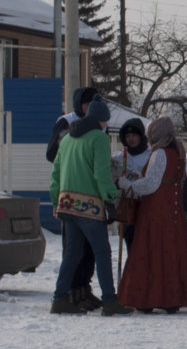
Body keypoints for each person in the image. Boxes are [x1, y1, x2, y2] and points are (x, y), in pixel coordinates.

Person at [48, 97, 132, 316]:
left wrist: (56, 198)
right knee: (102, 252)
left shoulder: (66, 139)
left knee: (72, 254)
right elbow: (101, 173)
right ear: (102, 120)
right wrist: (110, 198)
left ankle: (59, 299)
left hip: (66, 203)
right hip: (89, 206)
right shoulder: (99, 139)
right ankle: (110, 301)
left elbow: (55, 173)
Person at [114, 117, 187, 313]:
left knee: (150, 250)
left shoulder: (159, 153)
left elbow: (151, 183)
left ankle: (146, 298)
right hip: (173, 208)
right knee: (170, 251)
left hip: (156, 208)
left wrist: (129, 184)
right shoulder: (178, 150)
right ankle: (171, 298)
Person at [46, 86, 100, 310]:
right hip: (70, 191)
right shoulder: (66, 123)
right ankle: (69, 291)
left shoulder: (98, 125)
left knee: (90, 248)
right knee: (73, 247)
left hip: (90, 194)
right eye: (88, 103)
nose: (91, 108)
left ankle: (83, 289)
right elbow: (52, 153)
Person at [114, 117, 151, 251]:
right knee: (131, 244)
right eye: (128, 135)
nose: (131, 139)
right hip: (127, 206)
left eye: (134, 135)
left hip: (145, 205)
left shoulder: (150, 155)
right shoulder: (119, 157)